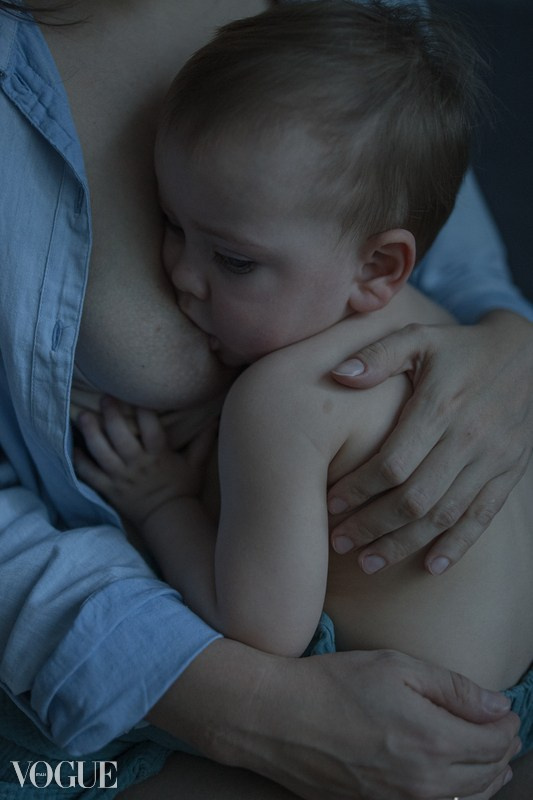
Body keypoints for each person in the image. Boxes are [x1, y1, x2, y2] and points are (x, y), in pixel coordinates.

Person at [0, 0, 530, 798]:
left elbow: (258, 633)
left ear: (380, 267)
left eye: (233, 261)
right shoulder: (422, 321)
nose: (179, 271)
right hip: (491, 700)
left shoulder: (281, 405)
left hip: (377, 699)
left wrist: (163, 503)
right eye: (169, 222)